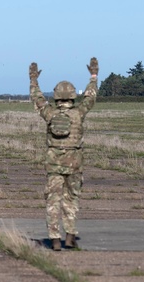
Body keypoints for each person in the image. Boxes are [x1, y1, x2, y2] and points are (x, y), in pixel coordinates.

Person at [29, 57, 99, 250]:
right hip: (75, 163)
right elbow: (90, 97)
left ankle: (54, 238)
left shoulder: (50, 114)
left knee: (53, 201)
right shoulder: (79, 113)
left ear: (57, 97)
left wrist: (33, 79)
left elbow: (38, 99)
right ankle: (70, 234)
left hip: (54, 164)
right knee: (71, 199)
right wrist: (93, 76)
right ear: (72, 97)